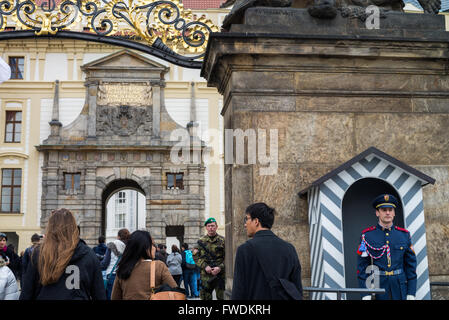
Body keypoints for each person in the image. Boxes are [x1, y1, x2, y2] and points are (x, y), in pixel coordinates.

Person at [20, 208, 106, 300]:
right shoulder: (88, 254)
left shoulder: (39, 254)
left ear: (50, 228)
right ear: (74, 227)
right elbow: (99, 294)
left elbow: (27, 292)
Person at [231, 202, 303, 300]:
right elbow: (297, 289)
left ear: (256, 221)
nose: (245, 224)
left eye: (246, 219)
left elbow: (238, 290)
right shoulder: (289, 248)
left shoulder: (244, 250)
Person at [357, 194, 417, 300]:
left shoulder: (404, 235)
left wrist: (411, 292)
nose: (388, 213)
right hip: (378, 287)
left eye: (390, 209)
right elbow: (362, 267)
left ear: (394, 213)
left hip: (400, 287)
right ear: (377, 213)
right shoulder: (367, 236)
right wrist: (365, 293)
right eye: (384, 210)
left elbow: (411, 266)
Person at [111, 230, 177, 300]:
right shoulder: (159, 266)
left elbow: (115, 297)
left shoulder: (122, 268)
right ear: (145, 248)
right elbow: (175, 292)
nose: (154, 248)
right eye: (152, 245)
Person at [193, 217, 225, 300]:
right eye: (209, 226)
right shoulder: (200, 241)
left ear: (216, 227)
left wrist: (220, 267)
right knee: (205, 298)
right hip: (206, 275)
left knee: (222, 297)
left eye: (213, 226)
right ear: (206, 227)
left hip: (220, 275)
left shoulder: (223, 240)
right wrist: (205, 266)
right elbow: (195, 256)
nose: (211, 228)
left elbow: (228, 258)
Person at [100, 229, 129, 300]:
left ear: (118, 236)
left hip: (112, 275)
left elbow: (105, 263)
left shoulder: (112, 245)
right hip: (124, 276)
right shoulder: (128, 247)